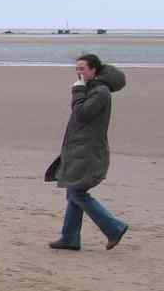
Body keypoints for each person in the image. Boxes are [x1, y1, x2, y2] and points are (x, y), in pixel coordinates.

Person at [45, 53, 129, 251]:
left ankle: (114, 228)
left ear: (94, 70)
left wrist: (78, 91)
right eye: (77, 69)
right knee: (73, 193)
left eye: (82, 69)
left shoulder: (100, 92)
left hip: (88, 151)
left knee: (77, 193)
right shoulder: (93, 89)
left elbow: (82, 114)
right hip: (78, 149)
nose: (79, 72)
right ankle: (70, 238)